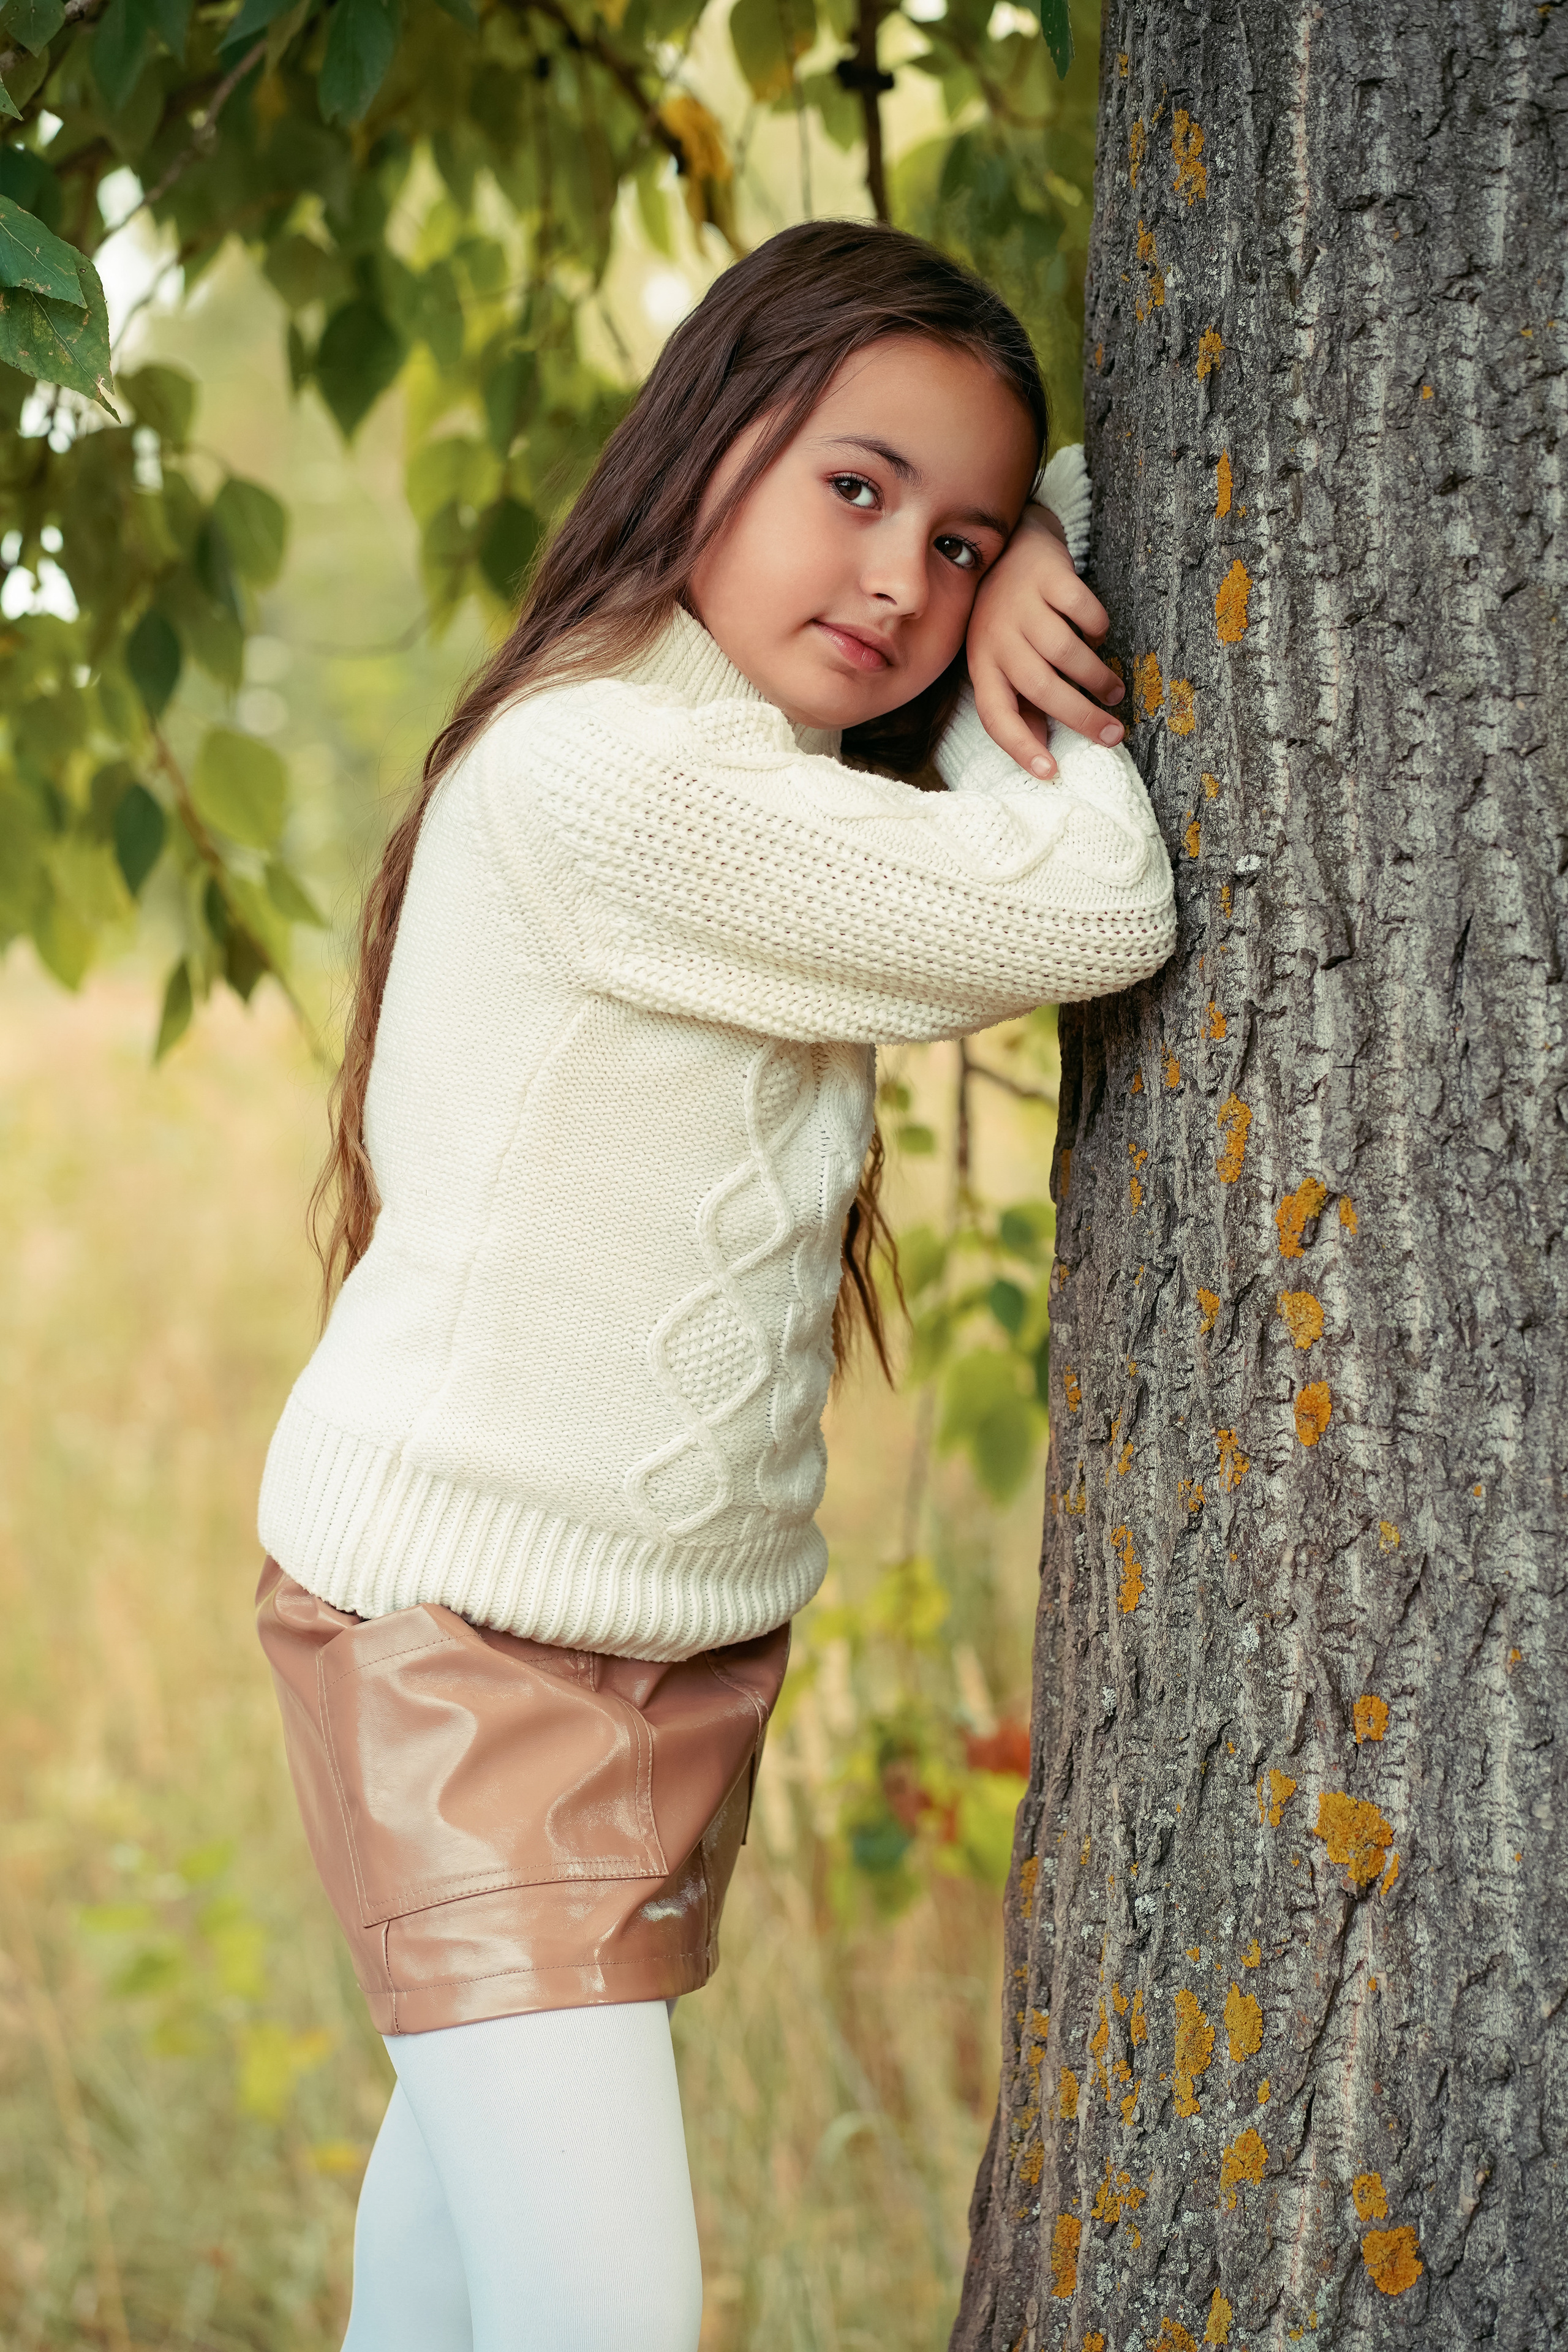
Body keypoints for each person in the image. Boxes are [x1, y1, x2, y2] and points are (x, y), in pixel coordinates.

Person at [253, 219, 1175, 2350]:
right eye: (855, 489)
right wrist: (1053, 571)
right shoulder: (616, 779)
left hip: (652, 1643)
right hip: (471, 1645)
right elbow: (1092, 901)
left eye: (956, 547)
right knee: (604, 2310)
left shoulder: (738, 771)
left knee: (466, 2246)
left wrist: (1046, 525)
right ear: (710, 439)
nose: (900, 585)